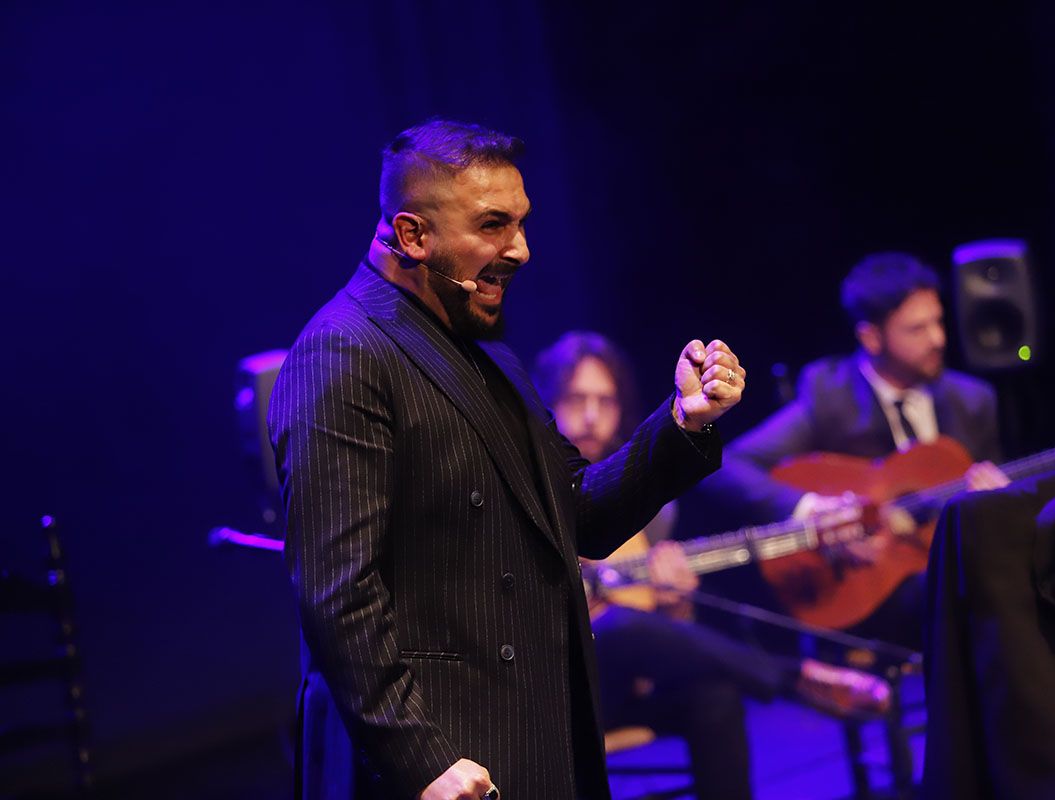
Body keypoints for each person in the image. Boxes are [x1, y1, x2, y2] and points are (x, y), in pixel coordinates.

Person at [267, 119, 745, 800]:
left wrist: (682, 424)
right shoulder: (341, 355)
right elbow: (338, 593)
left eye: (521, 223)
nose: (519, 249)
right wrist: (420, 757)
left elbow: (577, 514)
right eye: (493, 226)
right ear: (412, 235)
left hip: (528, 735)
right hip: (441, 760)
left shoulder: (486, 348)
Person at [533, 331, 797, 800]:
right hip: (552, 695)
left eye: (606, 401)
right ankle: (792, 676)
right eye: (576, 399)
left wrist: (676, 604)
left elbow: (663, 637)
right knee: (616, 627)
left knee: (714, 696)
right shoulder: (530, 490)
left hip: (624, 686)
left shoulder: (646, 507)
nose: (592, 416)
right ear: (548, 405)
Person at [700, 252, 1009, 650]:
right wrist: (814, 510)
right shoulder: (831, 395)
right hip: (871, 590)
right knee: (958, 587)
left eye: (938, 321)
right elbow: (725, 466)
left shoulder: (973, 400)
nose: (939, 339)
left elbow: (992, 492)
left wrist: (997, 501)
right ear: (871, 337)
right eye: (917, 329)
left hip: (958, 562)